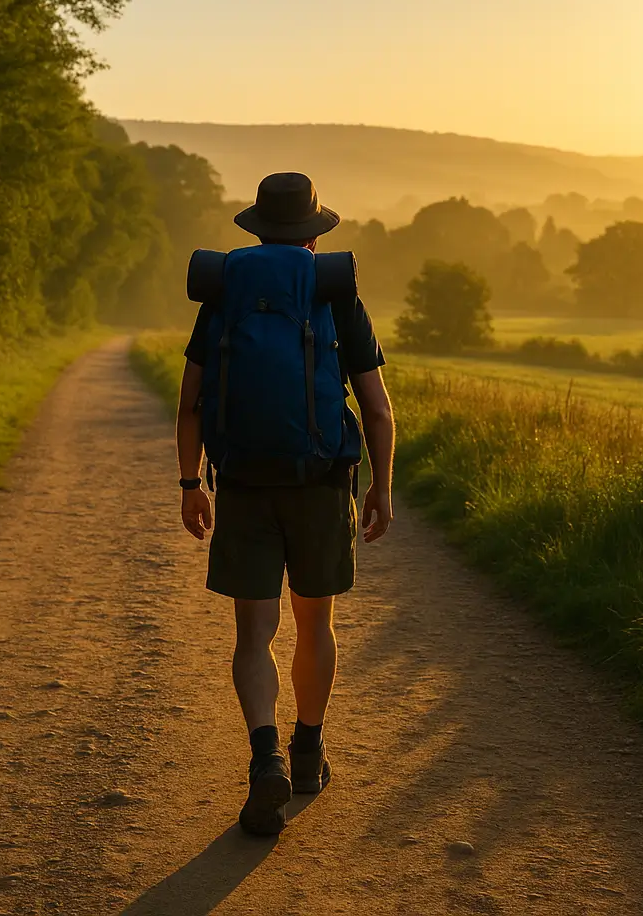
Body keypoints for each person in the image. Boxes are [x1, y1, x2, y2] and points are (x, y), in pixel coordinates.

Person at [175, 172, 395, 836]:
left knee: (253, 634)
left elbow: (190, 404)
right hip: (320, 482)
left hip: (242, 482)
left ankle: (265, 753)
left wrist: (191, 485)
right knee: (313, 625)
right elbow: (378, 411)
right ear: (315, 232)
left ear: (257, 228)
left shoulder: (223, 293)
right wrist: (381, 490)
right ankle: (308, 749)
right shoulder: (334, 293)